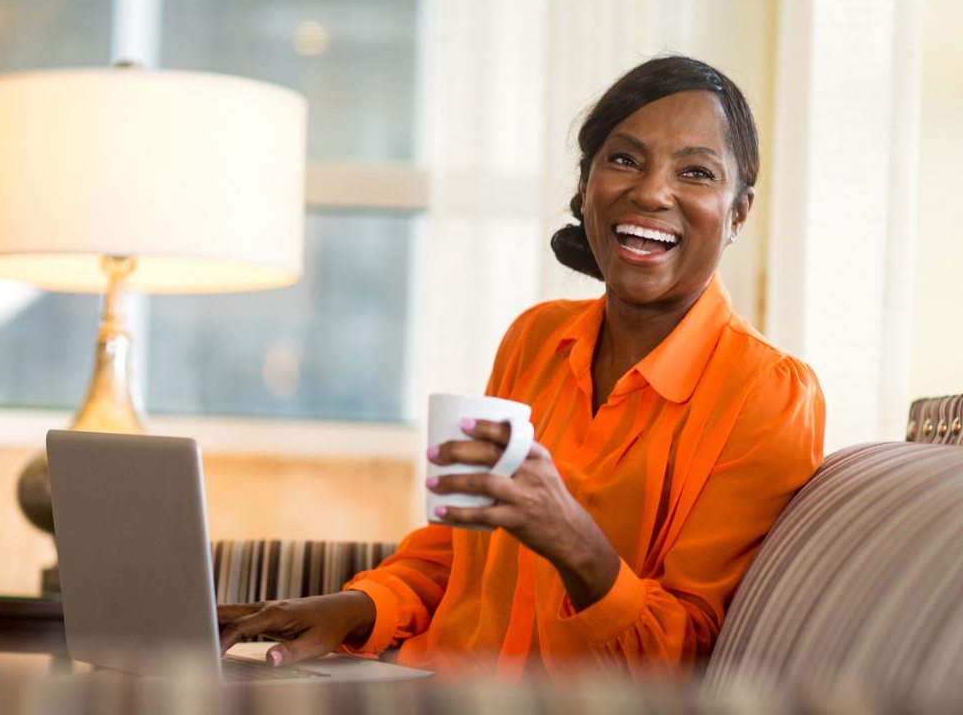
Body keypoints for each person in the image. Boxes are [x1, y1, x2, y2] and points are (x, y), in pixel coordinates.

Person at [218, 55, 826, 681]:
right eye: (623, 160)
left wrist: (572, 539)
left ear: (739, 212)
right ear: (586, 186)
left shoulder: (765, 393)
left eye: (696, 172)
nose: (650, 191)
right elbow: (457, 549)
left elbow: (684, 655)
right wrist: (351, 609)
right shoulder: (536, 338)